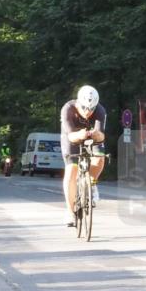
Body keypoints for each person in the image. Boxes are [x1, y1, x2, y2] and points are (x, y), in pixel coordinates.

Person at [60, 85, 106, 226]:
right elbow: (70, 136)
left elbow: (101, 136)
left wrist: (96, 134)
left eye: (91, 109)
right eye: (85, 108)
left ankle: (91, 184)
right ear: (79, 103)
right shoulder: (68, 109)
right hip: (72, 137)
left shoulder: (100, 110)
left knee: (100, 158)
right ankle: (70, 213)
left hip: (92, 136)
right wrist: (80, 134)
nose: (88, 112)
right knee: (71, 170)